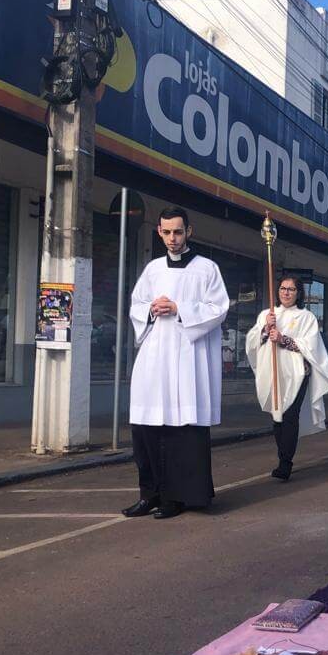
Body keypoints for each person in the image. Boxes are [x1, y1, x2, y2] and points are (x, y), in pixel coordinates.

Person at [124, 207, 229, 520]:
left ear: (189, 232)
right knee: (145, 429)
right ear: (159, 231)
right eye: (167, 232)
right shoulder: (153, 269)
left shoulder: (207, 269)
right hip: (155, 359)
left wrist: (180, 308)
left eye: (178, 232)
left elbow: (219, 308)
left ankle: (176, 497)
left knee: (179, 433)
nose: (172, 238)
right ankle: (150, 494)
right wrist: (151, 310)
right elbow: (136, 305)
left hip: (187, 361)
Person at [246, 275, 328, 481]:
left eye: (291, 289)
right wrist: (265, 329)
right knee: (277, 416)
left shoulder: (306, 317)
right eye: (283, 288)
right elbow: (252, 343)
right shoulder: (267, 315)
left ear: (298, 293)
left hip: (296, 374)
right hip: (273, 372)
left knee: (290, 416)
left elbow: (312, 346)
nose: (286, 292)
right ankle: (282, 455)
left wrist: (284, 339)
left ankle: (285, 462)